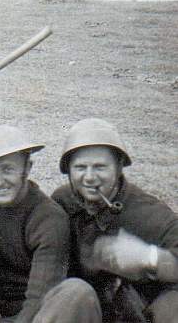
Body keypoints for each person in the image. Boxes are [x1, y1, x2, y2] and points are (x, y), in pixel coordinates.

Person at [0, 124, 102, 323]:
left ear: (27, 168)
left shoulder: (48, 219)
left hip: (41, 315)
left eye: (8, 170)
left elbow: (39, 299)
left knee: (76, 292)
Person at [52, 118, 178, 323]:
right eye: (80, 167)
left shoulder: (147, 213)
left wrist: (148, 256)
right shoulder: (62, 201)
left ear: (119, 168)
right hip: (91, 307)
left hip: (144, 310)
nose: (89, 177)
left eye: (100, 167)